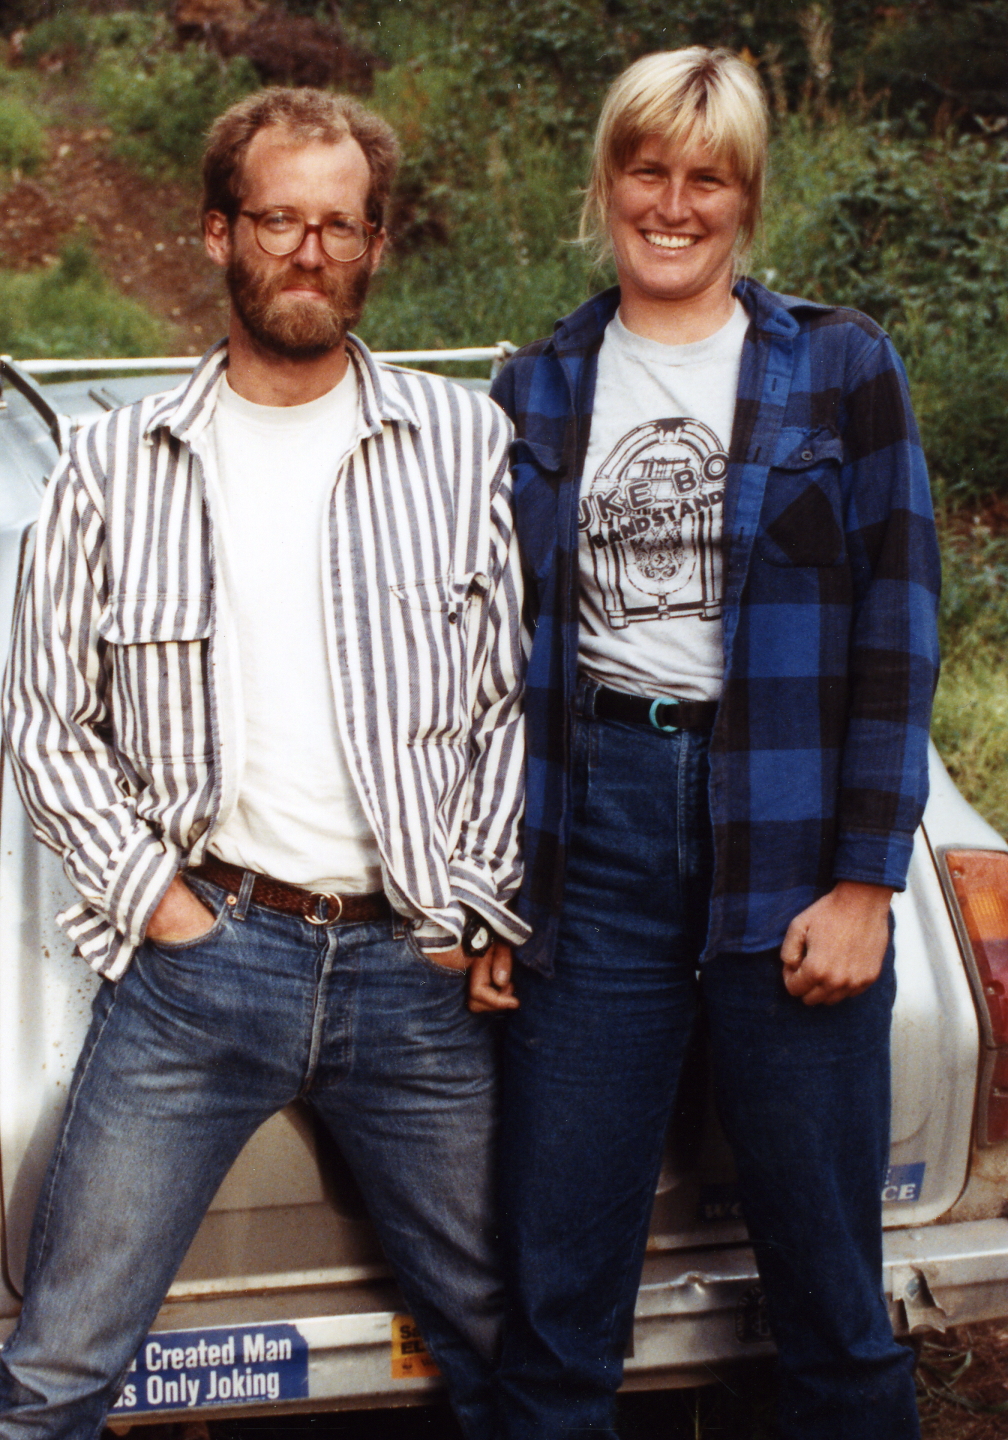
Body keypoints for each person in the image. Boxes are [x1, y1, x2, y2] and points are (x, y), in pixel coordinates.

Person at [0, 86, 528, 1440]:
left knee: (508, 1350)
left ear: (375, 245)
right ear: (217, 231)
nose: (309, 251)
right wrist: (162, 906)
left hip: (416, 972)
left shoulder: (462, 442)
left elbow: (509, 700)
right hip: (202, 972)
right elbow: (44, 716)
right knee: (56, 1369)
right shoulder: (113, 465)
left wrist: (471, 905)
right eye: (278, 220)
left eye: (339, 226)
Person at [475, 46, 940, 1440]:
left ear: (746, 200)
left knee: (832, 1298)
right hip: (592, 847)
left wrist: (864, 882)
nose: (673, 206)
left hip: (784, 838)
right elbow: (487, 666)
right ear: (605, 182)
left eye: (708, 179)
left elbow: (900, 632)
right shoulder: (536, 386)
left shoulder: (841, 367)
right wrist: (493, 893)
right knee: (558, 1305)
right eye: (647, 171)